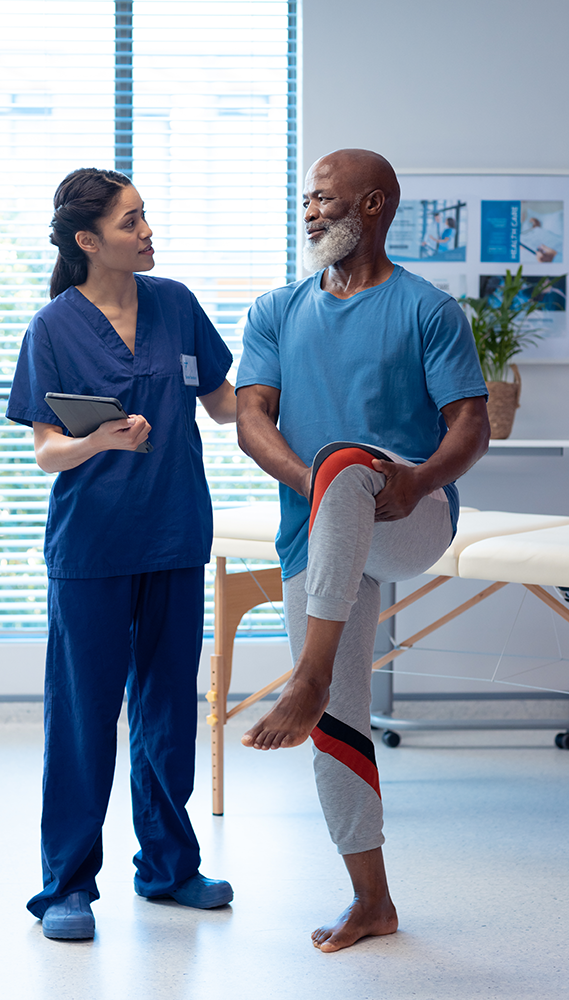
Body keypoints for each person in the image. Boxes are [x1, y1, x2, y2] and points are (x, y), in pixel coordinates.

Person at [235, 149, 489, 953]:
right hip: (318, 523)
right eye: (305, 200)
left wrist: (416, 481)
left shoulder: (426, 309)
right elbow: (250, 422)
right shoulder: (276, 309)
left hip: (409, 513)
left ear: (373, 205)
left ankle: (304, 678)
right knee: (339, 727)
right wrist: (323, 489)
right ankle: (371, 902)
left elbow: (469, 427)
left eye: (325, 199)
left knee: (353, 466)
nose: (310, 212)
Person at [6, 167, 236, 940]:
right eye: (131, 221)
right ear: (87, 240)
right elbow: (44, 451)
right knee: (84, 718)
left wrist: (297, 382)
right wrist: (95, 439)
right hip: (92, 549)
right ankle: (66, 887)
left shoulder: (174, 304)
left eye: (145, 217)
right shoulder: (53, 328)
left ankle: (169, 869)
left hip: (174, 537)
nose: (147, 232)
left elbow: (225, 403)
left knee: (169, 712)